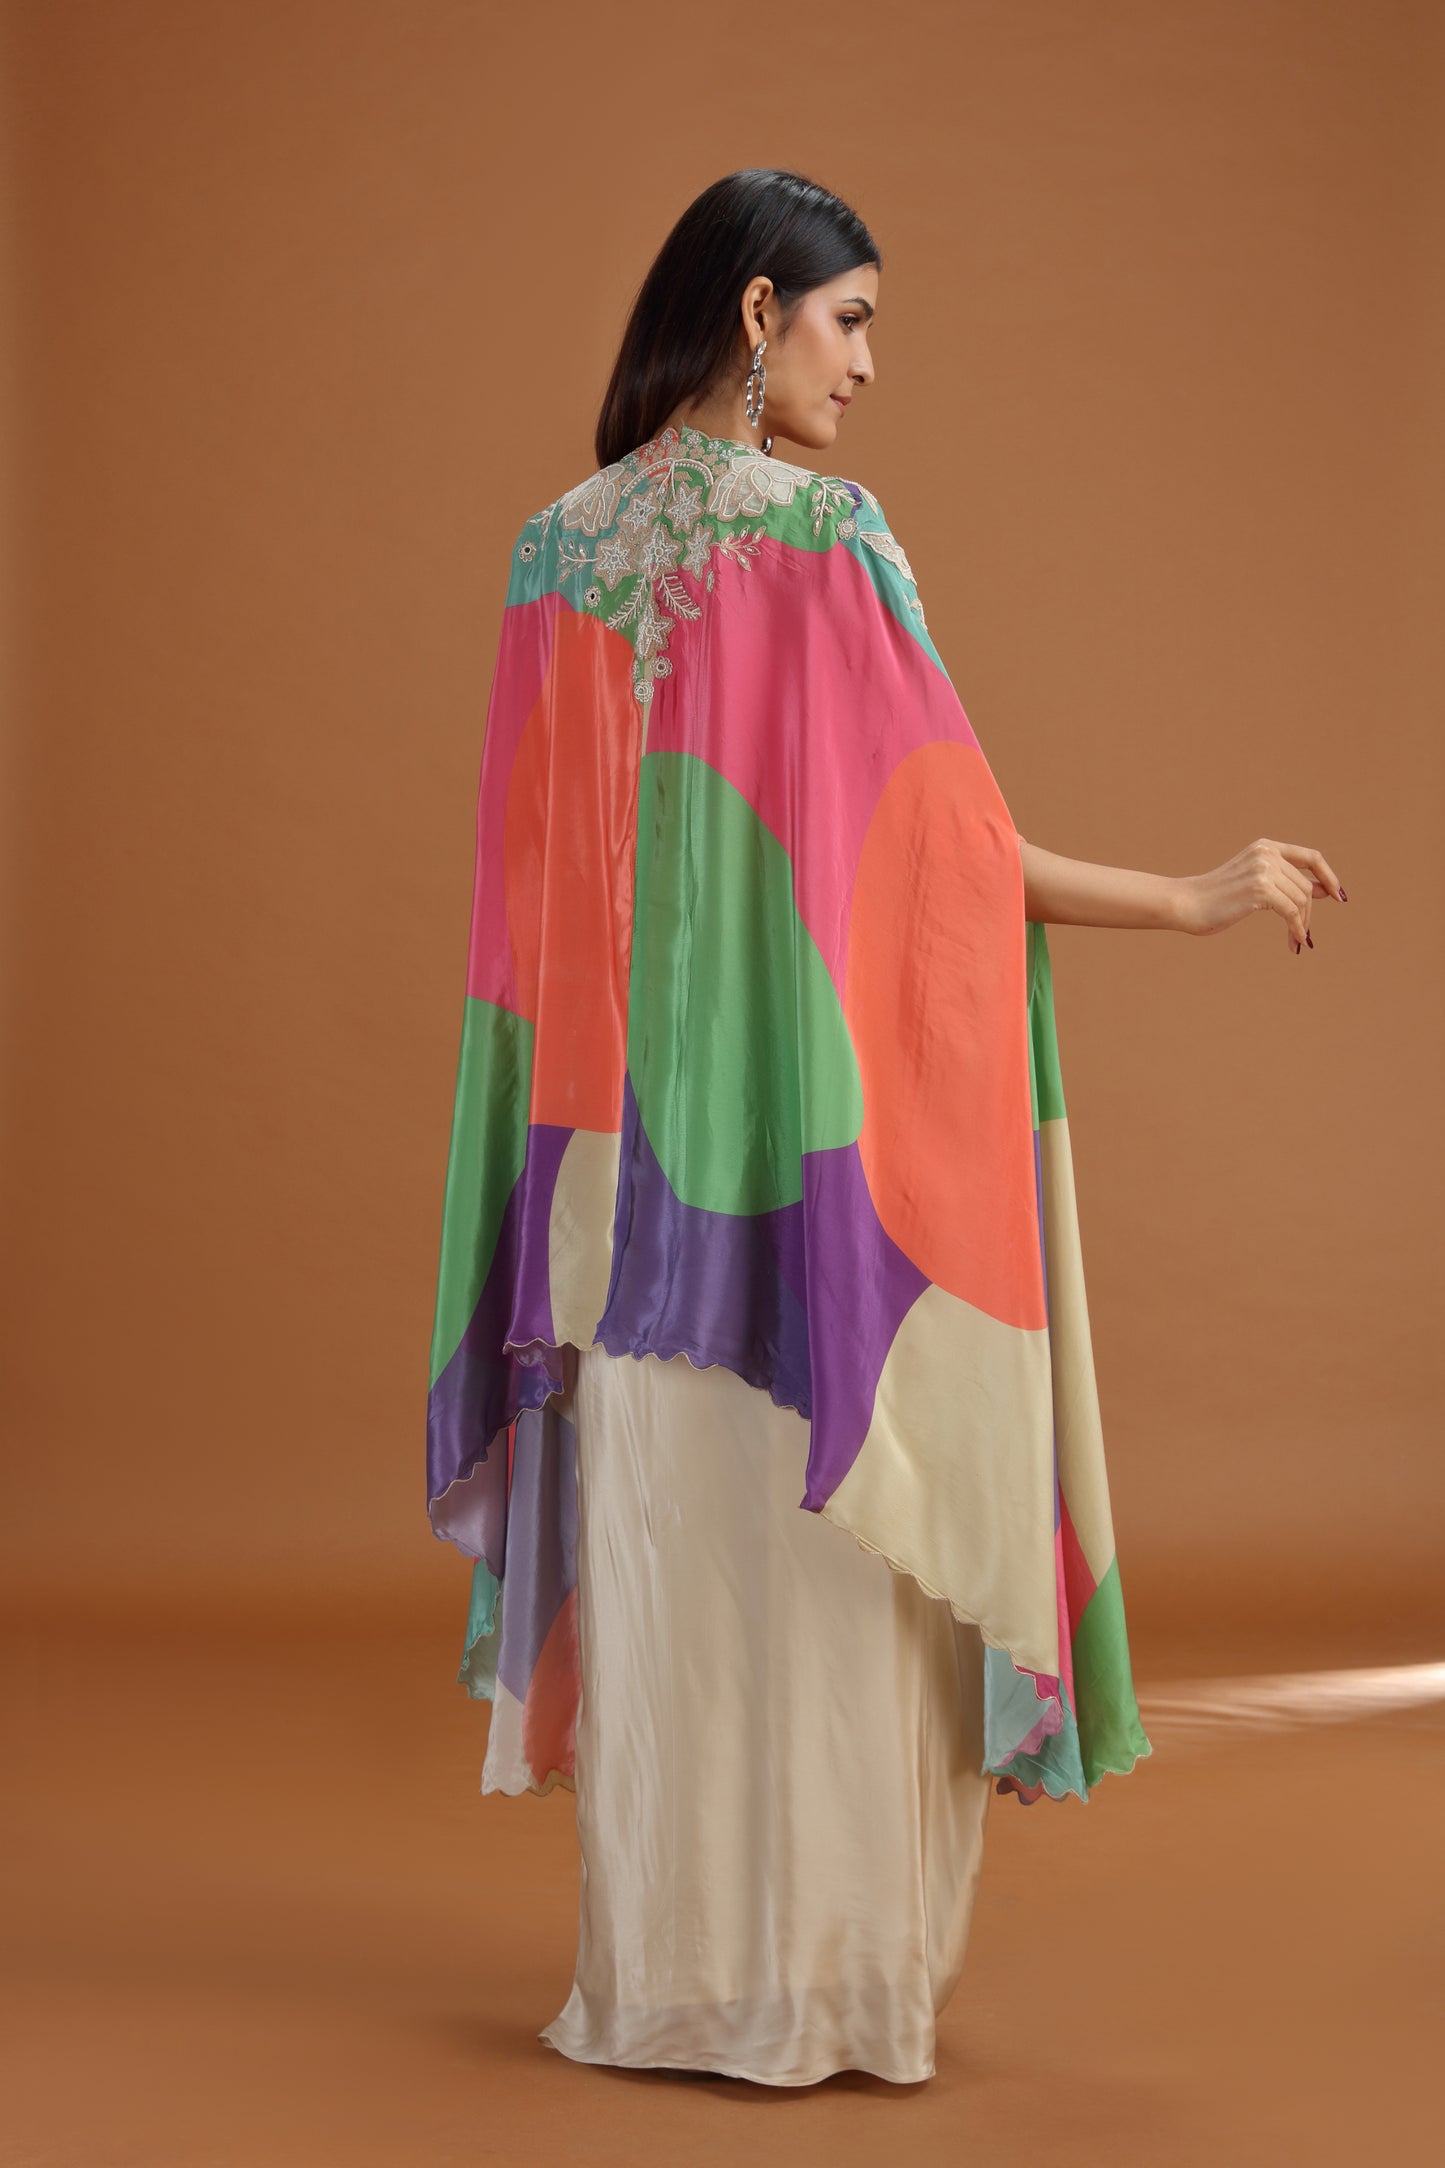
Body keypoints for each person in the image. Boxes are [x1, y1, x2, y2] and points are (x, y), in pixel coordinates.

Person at [424, 168, 1347, 2088]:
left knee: (688, 1598)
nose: (871, 364)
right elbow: (942, 857)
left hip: (614, 1203)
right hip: (808, 1198)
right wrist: (1181, 899)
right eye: (852, 321)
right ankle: (827, 2001)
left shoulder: (546, 557)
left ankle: (661, 1991)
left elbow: (529, 942)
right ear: (755, 315)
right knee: (824, 1600)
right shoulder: (826, 537)